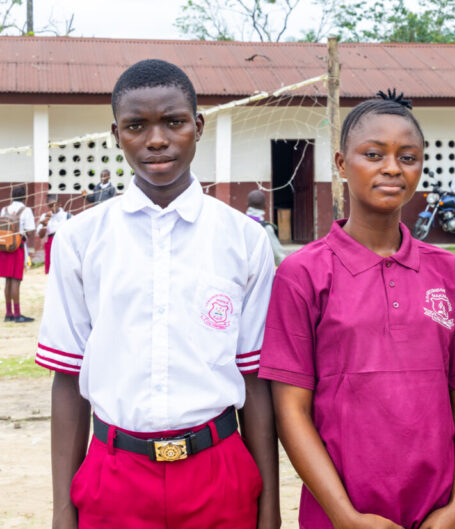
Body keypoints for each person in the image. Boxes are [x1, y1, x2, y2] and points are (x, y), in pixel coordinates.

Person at [35, 59, 280, 529]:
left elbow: (254, 380)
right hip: (114, 474)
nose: (156, 140)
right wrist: (63, 511)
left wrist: (268, 509)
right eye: (136, 126)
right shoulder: (79, 239)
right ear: (116, 134)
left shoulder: (242, 239)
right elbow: (68, 380)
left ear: (198, 126)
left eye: (173, 122)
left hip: (219, 472)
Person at [259, 91, 455, 529]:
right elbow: (291, 411)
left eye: (408, 157)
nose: (391, 168)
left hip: (439, 515)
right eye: (373, 154)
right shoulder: (302, 273)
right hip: (343, 517)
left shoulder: (447, 271)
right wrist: (345, 517)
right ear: (342, 164)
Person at [0, 184, 35, 322]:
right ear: (25, 197)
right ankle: (17, 314)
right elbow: (31, 231)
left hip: (4, 247)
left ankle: (8, 313)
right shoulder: (26, 211)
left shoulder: (5, 209)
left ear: (12, 196)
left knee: (7, 281)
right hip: (17, 248)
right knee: (16, 281)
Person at [246, 189, 286, 266]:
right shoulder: (265, 228)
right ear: (265, 207)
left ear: (247, 205)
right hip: (258, 271)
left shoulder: (240, 223)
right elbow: (277, 255)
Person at [36, 193, 70, 274]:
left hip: (63, 243)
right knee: (51, 270)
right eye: (50, 205)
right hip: (51, 244)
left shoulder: (67, 216)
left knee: (63, 269)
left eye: (55, 204)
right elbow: (41, 235)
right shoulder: (44, 216)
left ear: (60, 204)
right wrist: (45, 224)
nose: (53, 207)